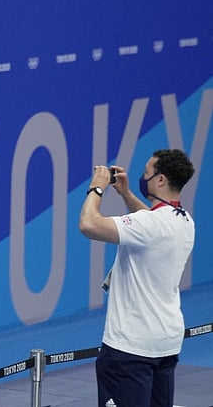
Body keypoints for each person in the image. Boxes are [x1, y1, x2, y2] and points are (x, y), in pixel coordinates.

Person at [78, 149, 195, 407]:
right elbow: (151, 223)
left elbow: (88, 224)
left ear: (160, 180)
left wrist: (97, 189)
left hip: (130, 348)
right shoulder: (185, 221)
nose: (143, 178)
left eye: (146, 173)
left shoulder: (149, 225)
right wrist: (126, 194)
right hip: (166, 343)